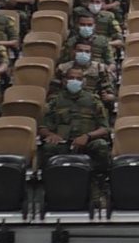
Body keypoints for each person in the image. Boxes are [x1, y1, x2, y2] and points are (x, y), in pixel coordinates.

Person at [38, 65, 113, 206]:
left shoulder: (93, 100)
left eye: (78, 79)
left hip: (88, 141)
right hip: (63, 142)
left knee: (101, 146)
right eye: (71, 78)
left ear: (84, 81)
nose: (74, 81)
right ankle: (51, 190)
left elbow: (105, 128)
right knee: (48, 148)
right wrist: (51, 135)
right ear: (64, 81)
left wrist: (88, 136)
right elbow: (42, 127)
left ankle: (98, 187)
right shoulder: (55, 101)